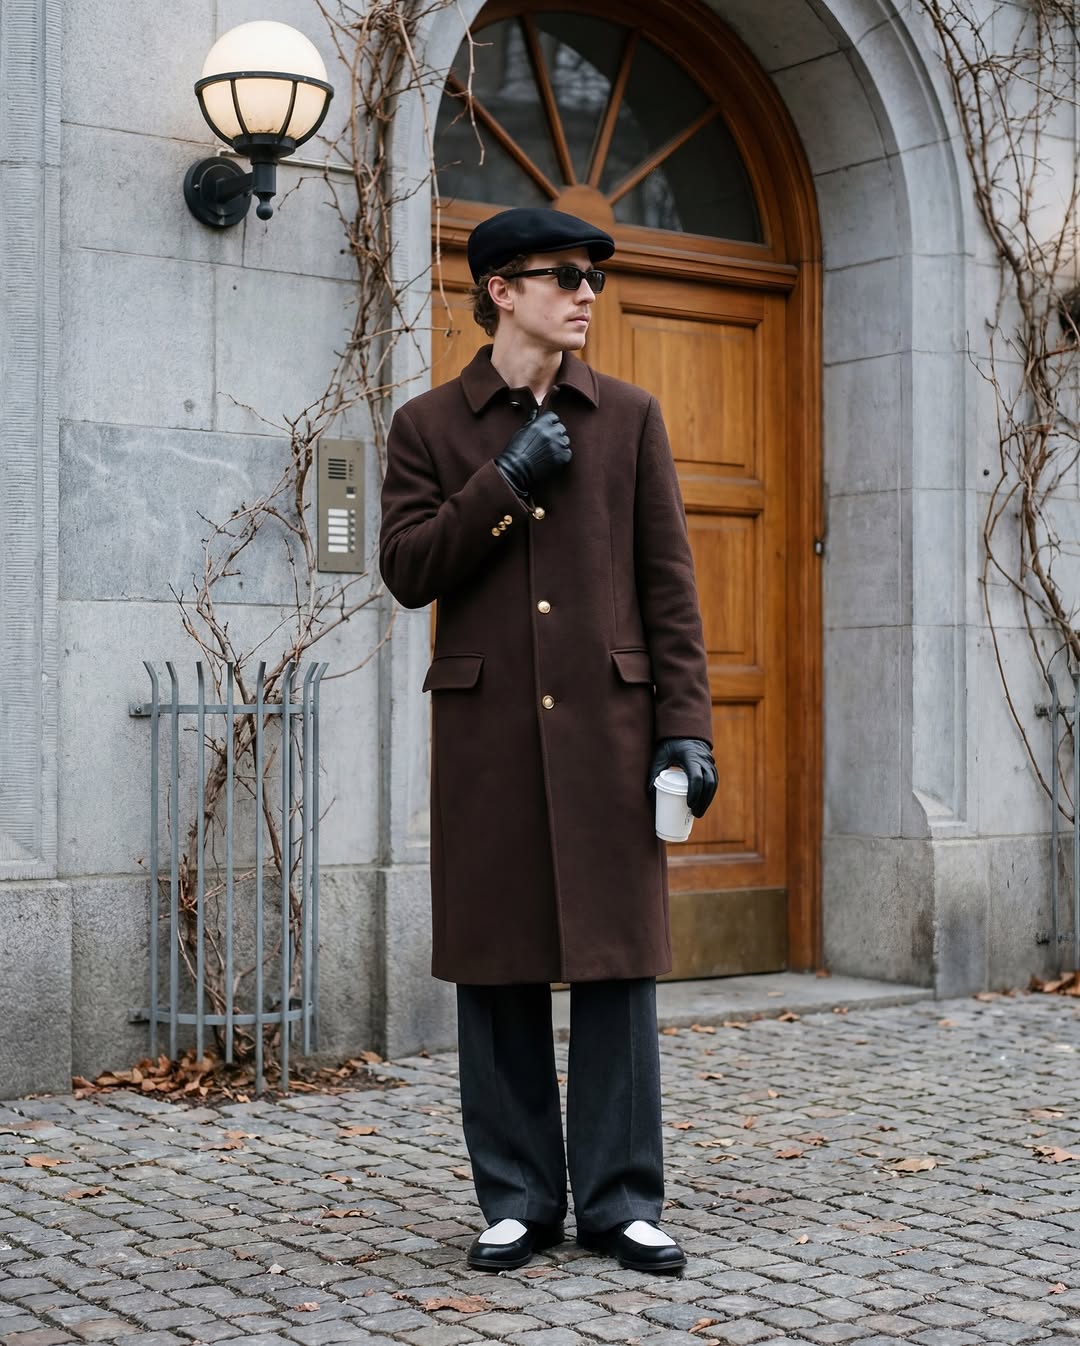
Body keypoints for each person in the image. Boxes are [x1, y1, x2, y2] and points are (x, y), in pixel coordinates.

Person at [379, 206, 717, 1275]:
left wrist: (689, 731)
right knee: (500, 968)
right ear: (501, 291)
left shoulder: (630, 417)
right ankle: (518, 1195)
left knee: (619, 970)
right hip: (488, 741)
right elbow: (407, 569)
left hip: (612, 739)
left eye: (592, 279)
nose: (584, 292)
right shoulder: (428, 426)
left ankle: (621, 1199)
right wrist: (508, 477)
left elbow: (670, 592)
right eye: (563, 275)